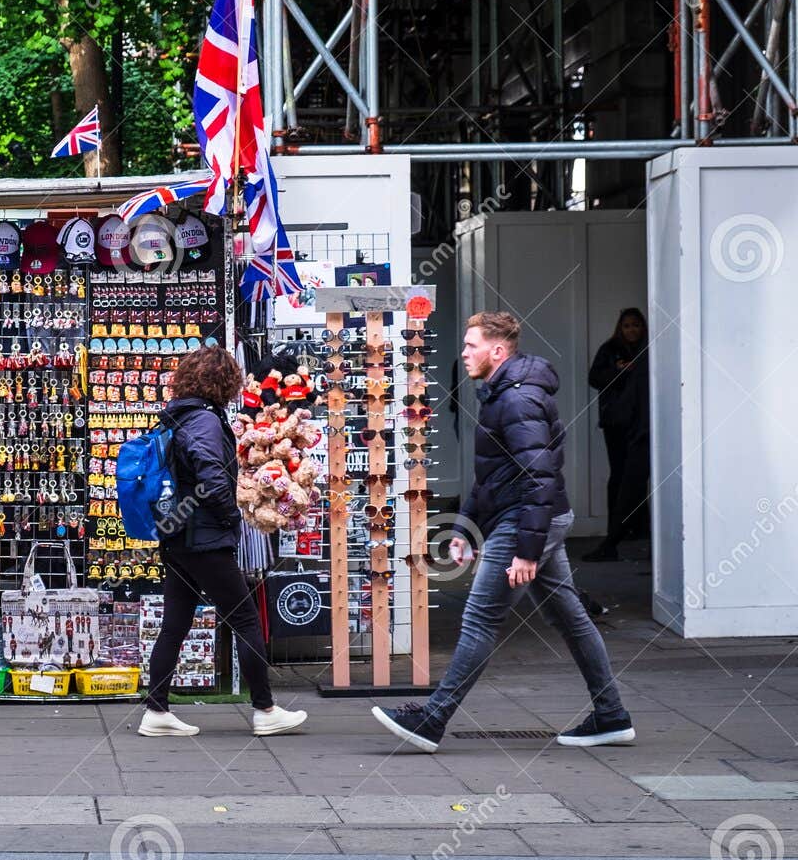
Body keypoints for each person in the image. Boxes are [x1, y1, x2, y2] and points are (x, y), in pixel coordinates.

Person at [373, 311, 634, 753]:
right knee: (569, 616)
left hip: (527, 520)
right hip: (531, 515)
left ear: (497, 350)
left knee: (480, 618)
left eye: (471, 345)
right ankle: (611, 715)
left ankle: (433, 719)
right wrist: (467, 529)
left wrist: (527, 551)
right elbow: (494, 475)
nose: (464, 352)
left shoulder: (516, 401)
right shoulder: (500, 394)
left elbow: (540, 479)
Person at [139, 346, 308, 739]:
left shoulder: (177, 416)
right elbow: (211, 476)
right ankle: (265, 710)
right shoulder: (203, 421)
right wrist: (232, 518)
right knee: (245, 619)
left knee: (176, 621)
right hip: (204, 539)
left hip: (178, 535)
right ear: (223, 382)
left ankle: (156, 709)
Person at [584, 308, 648, 561]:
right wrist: (620, 371)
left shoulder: (648, 349)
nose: (632, 330)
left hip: (641, 423)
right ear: (620, 328)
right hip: (617, 423)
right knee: (620, 477)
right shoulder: (610, 349)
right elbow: (595, 378)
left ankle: (635, 528)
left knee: (636, 478)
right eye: (627, 326)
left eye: (636, 325)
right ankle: (617, 531)